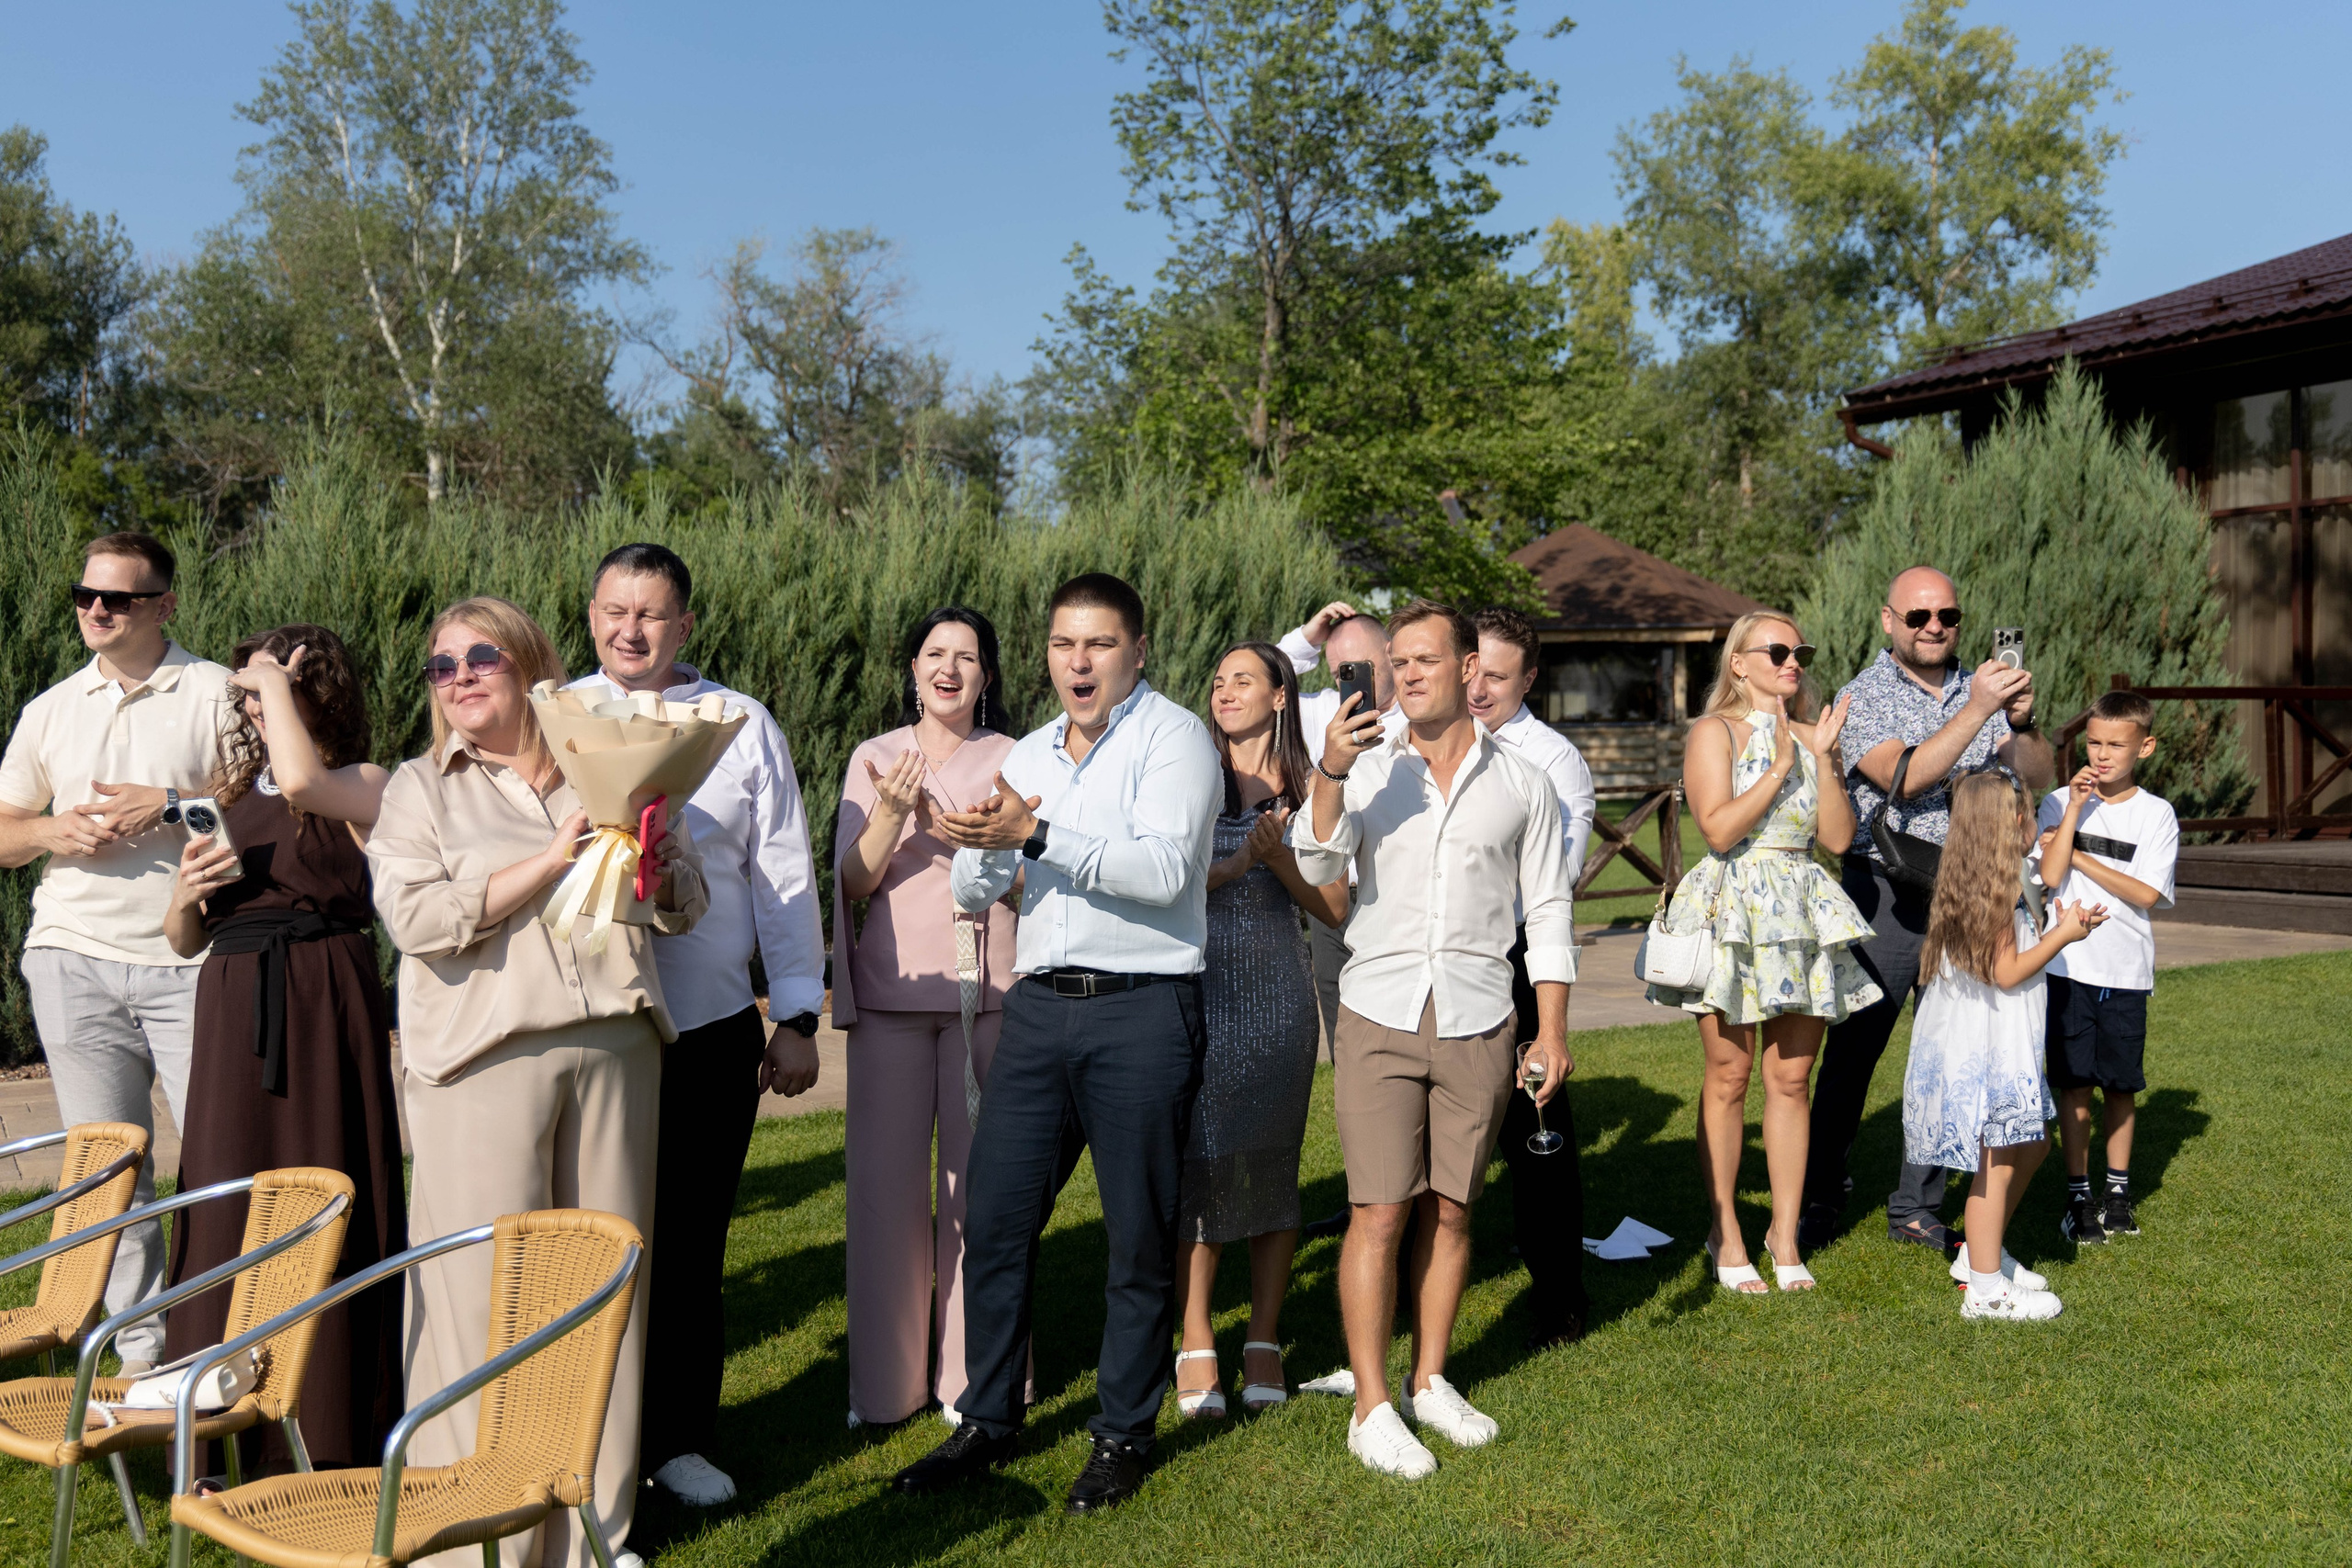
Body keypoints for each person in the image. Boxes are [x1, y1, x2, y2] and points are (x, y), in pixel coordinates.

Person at [368, 596, 703, 1568]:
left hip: (616, 1048)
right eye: (442, 667)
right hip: (481, 1060)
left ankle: (595, 1531)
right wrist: (550, 861)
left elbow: (682, 912)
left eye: (482, 658)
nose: (462, 677)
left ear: (528, 665)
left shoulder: (607, 766)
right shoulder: (416, 791)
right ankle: (466, 1540)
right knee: (478, 1298)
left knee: (603, 1295)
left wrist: (664, 864)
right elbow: (422, 924)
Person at [892, 573, 1220, 1515]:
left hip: (1143, 1013)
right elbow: (974, 892)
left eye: (1099, 644)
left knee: (1135, 1237)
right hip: (1039, 1010)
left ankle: (1122, 1434)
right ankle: (988, 1420)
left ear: (1138, 651)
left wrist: (1034, 832)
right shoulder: (1031, 748)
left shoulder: (1177, 740)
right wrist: (976, 845)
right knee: (992, 1222)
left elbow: (1162, 873)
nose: (1078, 662)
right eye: (1063, 644)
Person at [562, 544, 825, 1506]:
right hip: (586, 1022)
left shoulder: (739, 724)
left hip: (709, 1024)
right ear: (591, 615)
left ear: (685, 626)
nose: (630, 631)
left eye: (652, 615)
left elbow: (784, 874)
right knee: (588, 1238)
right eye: (613, 611)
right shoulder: (558, 716)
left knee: (687, 1242)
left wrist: (795, 1012)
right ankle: (584, 1438)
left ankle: (676, 1438)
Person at [1294, 600, 1574, 1481]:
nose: (1407, 673)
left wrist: (1554, 1025)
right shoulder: (1366, 768)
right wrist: (1329, 774)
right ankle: (1371, 1406)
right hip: (1377, 1009)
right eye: (1397, 662)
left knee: (1453, 1207)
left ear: (1467, 670)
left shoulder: (1525, 779)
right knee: (1380, 1209)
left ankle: (1430, 1378)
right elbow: (1314, 865)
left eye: (1425, 659)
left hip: (1481, 1014)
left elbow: (1552, 911)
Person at [159, 626, 406, 1472]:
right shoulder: (223, 794)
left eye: (269, 690)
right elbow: (183, 938)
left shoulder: (363, 782)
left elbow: (309, 780)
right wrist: (186, 894)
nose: (254, 706)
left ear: (315, 691)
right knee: (224, 1202)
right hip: (231, 1003)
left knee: (322, 1193)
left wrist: (270, 679)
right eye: (249, 695)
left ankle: (330, 1427)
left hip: (321, 997)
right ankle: (215, 1432)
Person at [0, 531, 232, 1374]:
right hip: (71, 952)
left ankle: (227, 1340)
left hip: (192, 958)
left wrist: (170, 805)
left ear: (164, 605)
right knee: (109, 1169)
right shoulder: (52, 708)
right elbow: (3, 828)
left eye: (118, 599)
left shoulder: (214, 692)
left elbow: (268, 807)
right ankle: (146, 1359)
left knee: (218, 1157)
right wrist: (48, 828)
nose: (95, 610)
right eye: (85, 594)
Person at [1801, 567, 2054, 1255]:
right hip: (1888, 894)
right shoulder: (1866, 696)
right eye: (1918, 616)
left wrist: (2023, 720)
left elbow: (2036, 773)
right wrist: (1975, 710)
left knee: (1953, 1054)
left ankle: (1918, 1203)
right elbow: (1905, 775)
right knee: (1854, 1054)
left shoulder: (1986, 685)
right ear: (1889, 621)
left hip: (1973, 893)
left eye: (1947, 614)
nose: (1935, 626)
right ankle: (1820, 1191)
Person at [1645, 611, 1880, 1292]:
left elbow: (1837, 838)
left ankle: (1783, 1232)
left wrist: (1824, 758)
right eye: (1778, 650)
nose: (1794, 661)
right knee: (1729, 1076)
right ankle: (1726, 1228)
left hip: (1801, 911)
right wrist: (1780, 763)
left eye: (1801, 650)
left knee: (1790, 1081)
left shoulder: (1815, 737)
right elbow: (1717, 829)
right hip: (1734, 909)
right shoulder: (1713, 732)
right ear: (1738, 663)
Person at [832, 607, 1019, 1429]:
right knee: (885, 1194)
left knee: (984, 1192)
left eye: (967, 657)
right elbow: (854, 881)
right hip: (893, 998)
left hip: (992, 997)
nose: (950, 669)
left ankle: (976, 1378)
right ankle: (884, 1386)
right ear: (912, 667)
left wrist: (981, 844)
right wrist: (887, 818)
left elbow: (1039, 880)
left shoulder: (1018, 758)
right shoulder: (874, 757)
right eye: (935, 654)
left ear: (986, 675)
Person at [1171, 642, 1346, 1419]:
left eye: (1242, 679)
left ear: (1282, 695)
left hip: (1277, 994)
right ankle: (1195, 1331)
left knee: (1273, 1165)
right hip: (1196, 990)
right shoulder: (1186, 773)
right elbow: (1162, 876)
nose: (1224, 691)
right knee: (1202, 1164)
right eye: (1217, 681)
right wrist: (1238, 862)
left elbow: (1335, 907)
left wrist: (1276, 865)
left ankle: (1265, 1334)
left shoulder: (1315, 786)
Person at [1901, 772, 2107, 1321]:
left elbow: (2048, 879)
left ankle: (1978, 1253)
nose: (2034, 822)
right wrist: (2062, 937)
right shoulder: (1992, 893)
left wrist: (2057, 921)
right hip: (1987, 1047)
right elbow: (2007, 972)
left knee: (2032, 1144)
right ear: (2008, 824)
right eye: (2030, 814)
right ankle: (1986, 1290)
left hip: (2004, 1038)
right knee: (1996, 1157)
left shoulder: (1999, 876)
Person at [1466, 606, 1598, 1344]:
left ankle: (1559, 1296)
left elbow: (1559, 877)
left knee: (1536, 1135)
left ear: (1531, 679)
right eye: (1473, 668)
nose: (1479, 687)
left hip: (1517, 957)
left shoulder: (1553, 761)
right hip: (1441, 957)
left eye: (1498, 674)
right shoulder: (1425, 741)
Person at [2030, 690, 2178, 1245]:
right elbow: (2048, 875)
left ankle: (2117, 1191)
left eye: (2117, 744)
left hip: (2125, 972)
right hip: (2066, 967)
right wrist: (2071, 813)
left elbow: (2143, 892)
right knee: (2073, 1085)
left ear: (2145, 746)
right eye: (2094, 742)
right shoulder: (2058, 801)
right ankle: (2078, 1194)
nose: (2103, 754)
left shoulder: (2156, 814)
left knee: (2119, 1085)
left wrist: (2081, 857)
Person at [1278, 604, 1407, 1057]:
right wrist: (1308, 639)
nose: (1350, 683)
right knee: (1339, 1020)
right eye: (1339, 673)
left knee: (1401, 1018)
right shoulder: (1321, 714)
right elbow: (1266, 681)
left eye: (1360, 669)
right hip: (1331, 893)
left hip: (1394, 891)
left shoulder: (1421, 718)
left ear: (1392, 656)